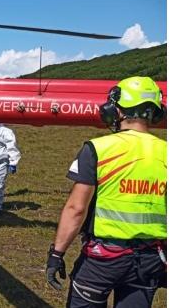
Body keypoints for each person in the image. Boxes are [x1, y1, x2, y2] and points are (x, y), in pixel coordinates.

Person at [45, 76, 166, 307]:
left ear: (117, 110)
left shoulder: (98, 149)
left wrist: (57, 254)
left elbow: (76, 209)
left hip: (103, 260)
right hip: (150, 261)